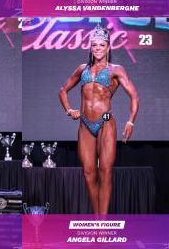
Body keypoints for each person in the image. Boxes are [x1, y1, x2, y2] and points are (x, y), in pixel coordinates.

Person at [58, 24, 139, 214]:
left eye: (102, 45)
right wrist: (69, 110)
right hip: (85, 124)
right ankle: (96, 218)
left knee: (105, 172)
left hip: (105, 122)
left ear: (108, 47)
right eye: (94, 45)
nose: (98, 49)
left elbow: (134, 96)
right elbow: (62, 90)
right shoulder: (82, 69)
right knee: (88, 173)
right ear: (90, 48)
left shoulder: (116, 70)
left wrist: (131, 121)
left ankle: (103, 221)